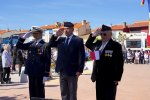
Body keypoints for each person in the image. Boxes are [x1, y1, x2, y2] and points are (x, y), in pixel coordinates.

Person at [85, 24, 124, 100]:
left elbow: (119, 63)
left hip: (110, 78)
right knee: (99, 97)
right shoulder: (97, 44)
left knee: (109, 97)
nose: (102, 35)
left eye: (104, 34)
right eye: (101, 34)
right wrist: (94, 35)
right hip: (99, 77)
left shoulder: (115, 45)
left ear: (110, 34)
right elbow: (88, 44)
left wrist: (117, 78)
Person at [50, 22, 85, 100]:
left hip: (73, 71)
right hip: (62, 70)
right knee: (64, 92)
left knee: (72, 93)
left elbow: (81, 56)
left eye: (67, 29)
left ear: (72, 29)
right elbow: (50, 44)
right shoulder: (60, 40)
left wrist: (80, 70)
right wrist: (56, 35)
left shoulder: (78, 40)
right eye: (64, 29)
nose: (65, 30)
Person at [16, 26, 51, 99]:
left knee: (39, 92)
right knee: (32, 92)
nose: (34, 35)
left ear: (40, 33)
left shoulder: (45, 45)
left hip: (40, 73)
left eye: (35, 33)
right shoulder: (31, 44)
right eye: (33, 33)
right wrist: (23, 38)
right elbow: (19, 46)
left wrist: (46, 74)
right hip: (31, 71)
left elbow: (47, 60)